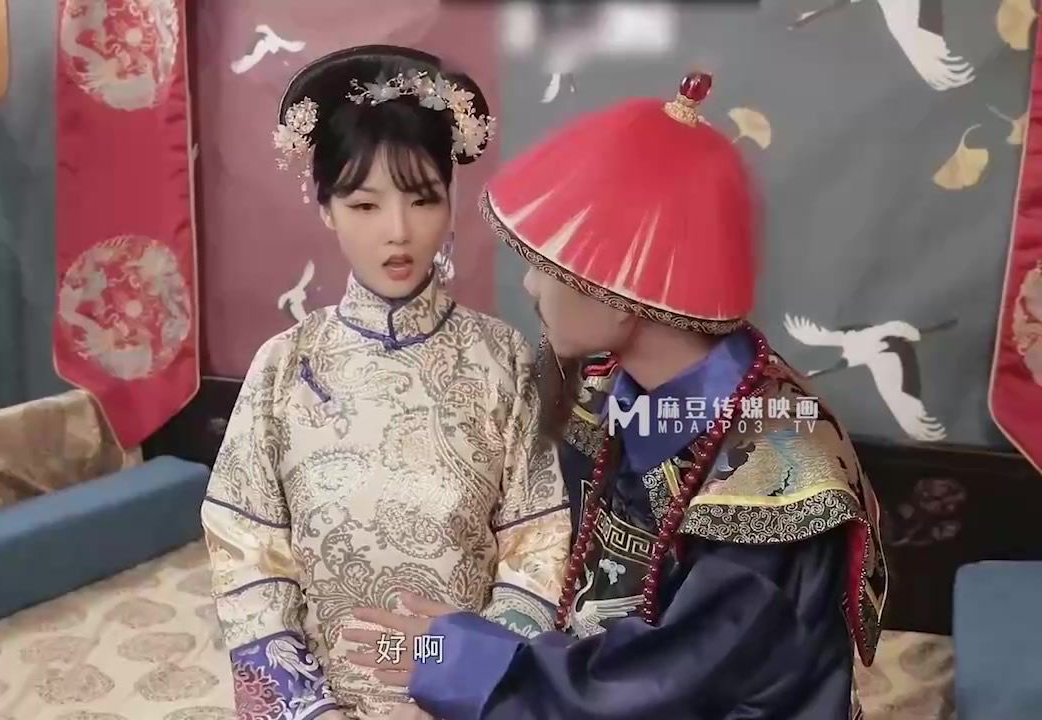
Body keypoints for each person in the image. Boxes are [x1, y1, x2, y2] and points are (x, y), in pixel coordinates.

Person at [346, 72, 889, 719]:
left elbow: (665, 687)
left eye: (548, 266)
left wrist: (458, 659)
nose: (530, 286)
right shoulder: (605, 388)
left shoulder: (779, 478)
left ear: (625, 288)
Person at [201, 45, 571, 720]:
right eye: (365, 204)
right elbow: (247, 559)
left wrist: (465, 683)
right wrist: (308, 711)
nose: (397, 232)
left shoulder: (505, 361)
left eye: (422, 199)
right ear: (326, 209)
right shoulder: (283, 367)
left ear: (451, 202)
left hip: (466, 703)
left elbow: (539, 547)